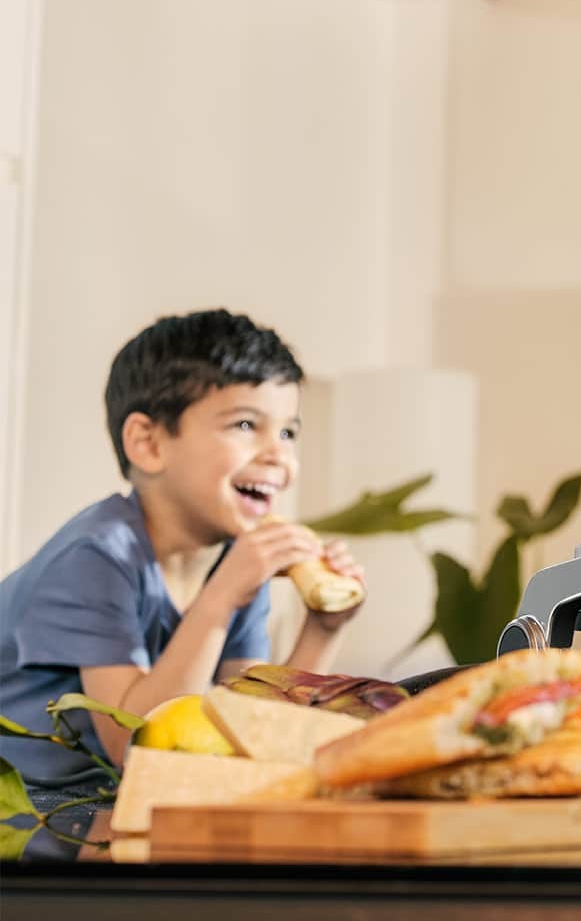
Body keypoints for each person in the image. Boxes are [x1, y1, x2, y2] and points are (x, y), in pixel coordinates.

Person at [0, 309, 365, 786]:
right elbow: (139, 749)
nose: (279, 454)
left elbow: (249, 731)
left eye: (288, 431)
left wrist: (322, 631)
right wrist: (223, 597)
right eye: (244, 425)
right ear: (148, 443)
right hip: (28, 829)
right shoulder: (96, 558)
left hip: (111, 813)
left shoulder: (233, 563)